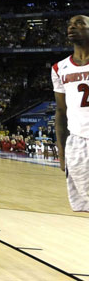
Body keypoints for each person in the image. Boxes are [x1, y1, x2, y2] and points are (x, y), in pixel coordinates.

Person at [51, 14, 89, 212]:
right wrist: (62, 152)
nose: (72, 27)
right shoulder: (59, 68)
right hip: (78, 141)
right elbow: (60, 112)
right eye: (70, 24)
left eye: (80, 23)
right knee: (84, 205)